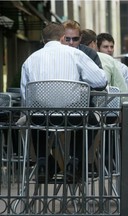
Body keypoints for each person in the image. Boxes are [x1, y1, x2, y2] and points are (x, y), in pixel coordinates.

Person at [20, 22, 107, 180]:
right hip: (72, 117)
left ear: (42, 40)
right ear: (62, 38)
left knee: (31, 116)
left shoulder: (30, 60)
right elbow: (101, 81)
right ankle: (74, 162)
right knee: (91, 121)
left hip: (41, 119)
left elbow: (26, 97)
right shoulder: (75, 54)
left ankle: (43, 161)